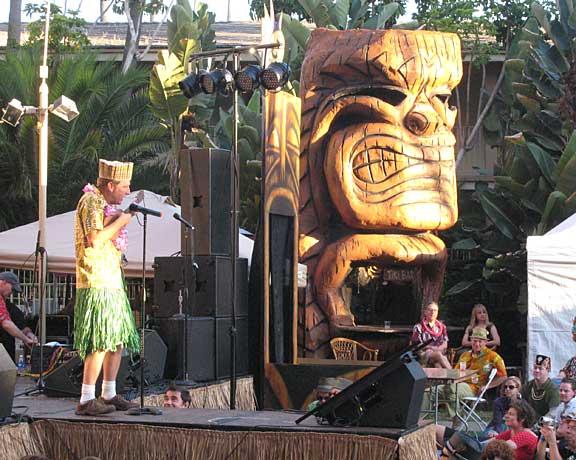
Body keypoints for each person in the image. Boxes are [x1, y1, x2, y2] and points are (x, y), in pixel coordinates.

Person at [73, 159, 140, 416]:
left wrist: (118, 216)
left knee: (116, 338)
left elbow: (105, 227)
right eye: (124, 186)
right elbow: (95, 239)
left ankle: (109, 392)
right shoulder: (90, 201)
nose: (127, 190)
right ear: (110, 185)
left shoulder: (102, 204)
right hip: (96, 280)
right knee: (100, 339)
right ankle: (86, 398)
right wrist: (123, 220)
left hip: (111, 280)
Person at [442, 327, 507, 419]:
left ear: (485, 342)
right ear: (471, 341)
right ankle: (421, 421)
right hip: (457, 384)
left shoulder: (492, 356)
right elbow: (455, 373)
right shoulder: (465, 355)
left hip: (474, 388)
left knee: (450, 389)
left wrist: (487, 386)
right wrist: (451, 380)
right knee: (430, 391)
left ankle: (457, 418)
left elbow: (503, 376)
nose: (477, 344)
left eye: (480, 341)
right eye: (475, 341)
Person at [0, 272, 37, 360]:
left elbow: (19, 321)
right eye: (12, 289)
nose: (11, 293)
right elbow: (6, 324)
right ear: (4, 282)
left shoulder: (7, 304)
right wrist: (25, 339)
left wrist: (28, 333)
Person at [410, 301, 451, 369]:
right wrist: (431, 348)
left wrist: (437, 349)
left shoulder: (442, 327)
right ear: (425, 312)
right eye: (430, 310)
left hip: (439, 352)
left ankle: (449, 374)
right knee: (438, 355)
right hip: (423, 353)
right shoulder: (418, 327)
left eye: (435, 310)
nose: (432, 312)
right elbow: (417, 345)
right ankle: (453, 374)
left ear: (437, 313)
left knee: (437, 364)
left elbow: (445, 344)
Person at [522, 354, 560, 419]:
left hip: (545, 422)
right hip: (527, 420)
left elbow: (553, 412)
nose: (537, 370)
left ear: (547, 370)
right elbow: (520, 404)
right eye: (535, 368)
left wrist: (540, 423)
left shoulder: (553, 389)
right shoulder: (528, 385)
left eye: (540, 368)